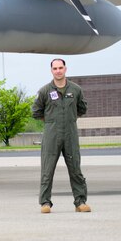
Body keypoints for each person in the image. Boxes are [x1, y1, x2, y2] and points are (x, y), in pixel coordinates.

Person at [32, 58, 90, 213]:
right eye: (55, 68)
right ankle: (45, 203)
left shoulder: (76, 90)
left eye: (60, 68)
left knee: (75, 169)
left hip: (70, 134)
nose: (58, 71)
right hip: (52, 135)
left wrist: (69, 119)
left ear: (65, 69)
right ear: (51, 70)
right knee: (47, 170)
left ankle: (80, 202)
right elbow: (36, 112)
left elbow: (82, 109)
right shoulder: (44, 91)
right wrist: (52, 122)